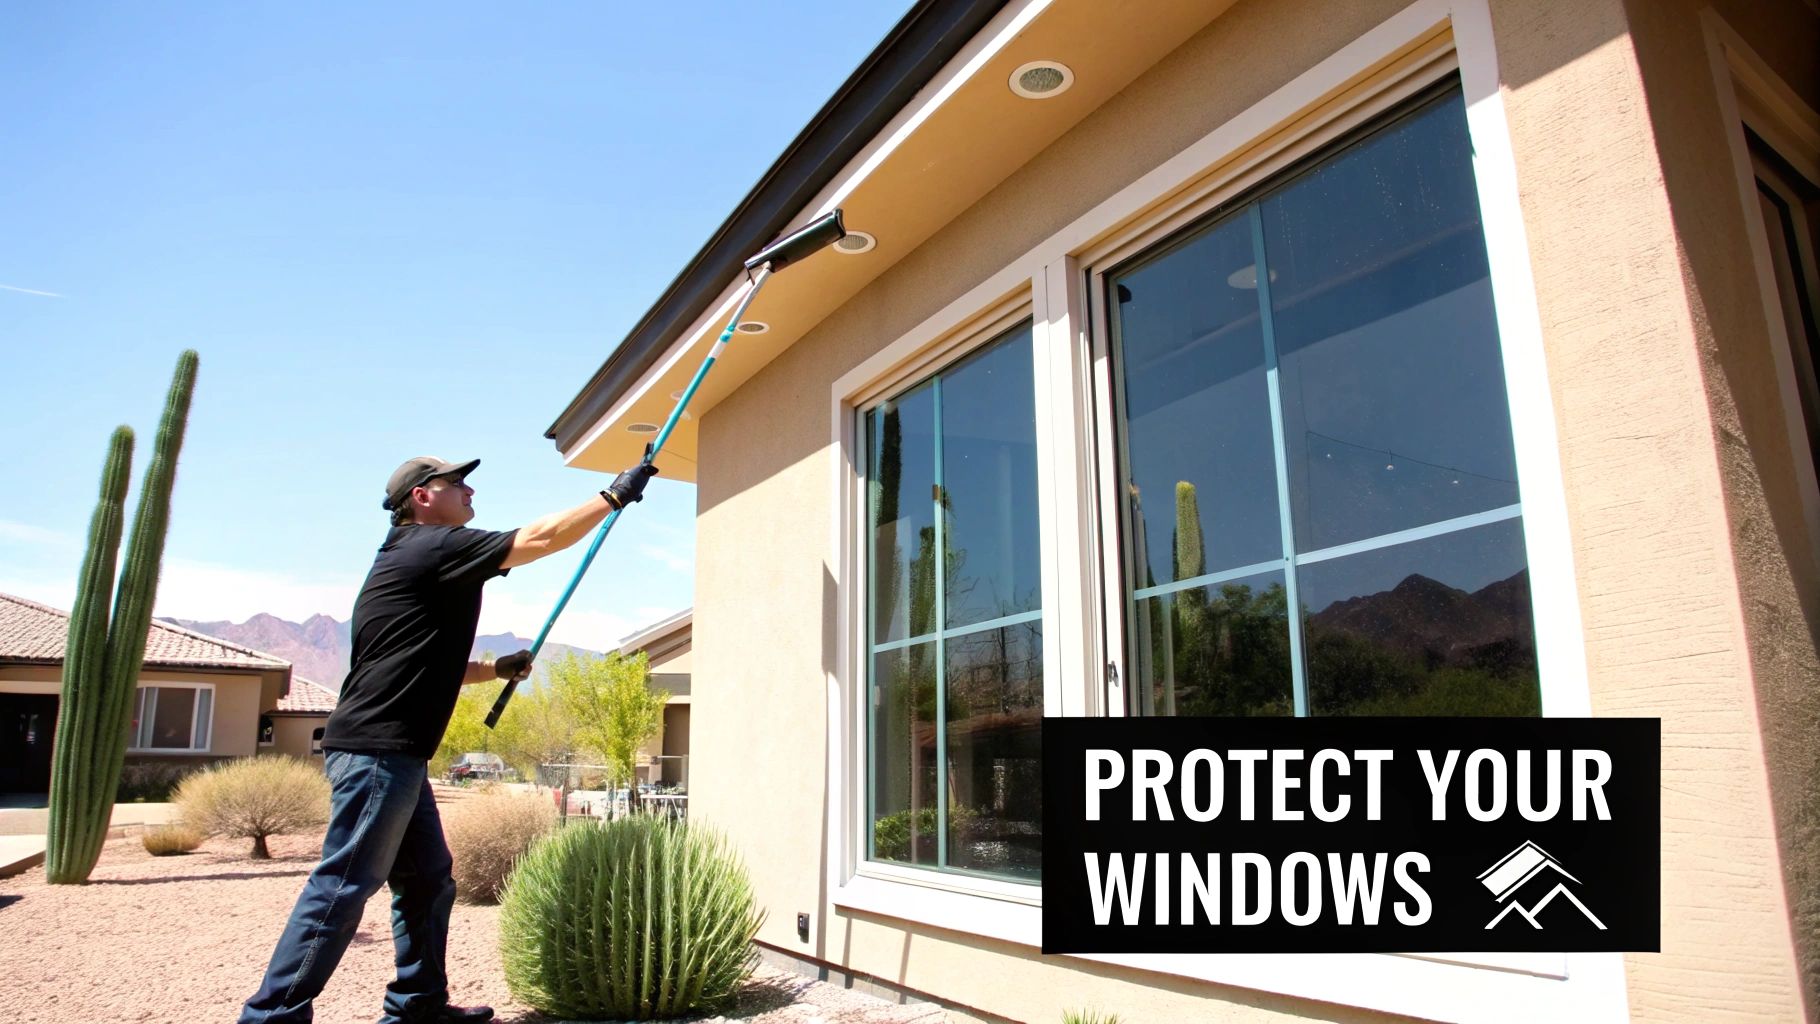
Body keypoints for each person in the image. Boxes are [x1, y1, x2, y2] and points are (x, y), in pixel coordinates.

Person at [239, 454, 658, 1024]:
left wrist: (497, 669)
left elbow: (433, 663)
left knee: (427, 882)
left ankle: (418, 1006)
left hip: (395, 753)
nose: (469, 488)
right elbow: (539, 538)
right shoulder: (428, 547)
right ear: (421, 497)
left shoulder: (416, 560)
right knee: (343, 885)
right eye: (455, 482)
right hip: (377, 752)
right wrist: (612, 496)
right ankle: (271, 1017)